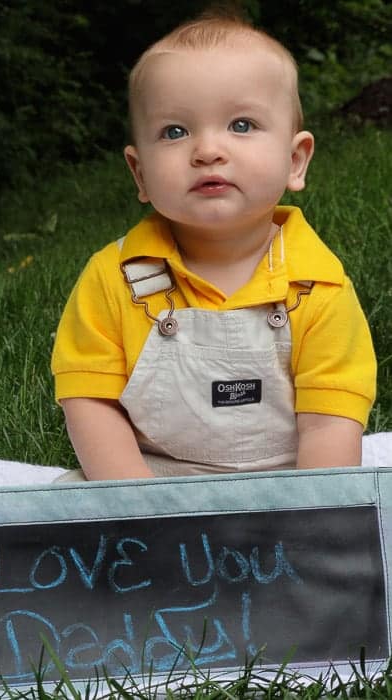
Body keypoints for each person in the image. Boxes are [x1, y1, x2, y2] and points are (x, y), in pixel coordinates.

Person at [50, 10, 376, 481]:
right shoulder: (115, 276)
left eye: (241, 125)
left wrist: (312, 521)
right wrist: (139, 507)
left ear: (295, 160)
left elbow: (329, 420)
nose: (207, 150)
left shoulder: (318, 285)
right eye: (175, 132)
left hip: (288, 483)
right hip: (152, 480)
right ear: (140, 174)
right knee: (60, 521)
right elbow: (89, 399)